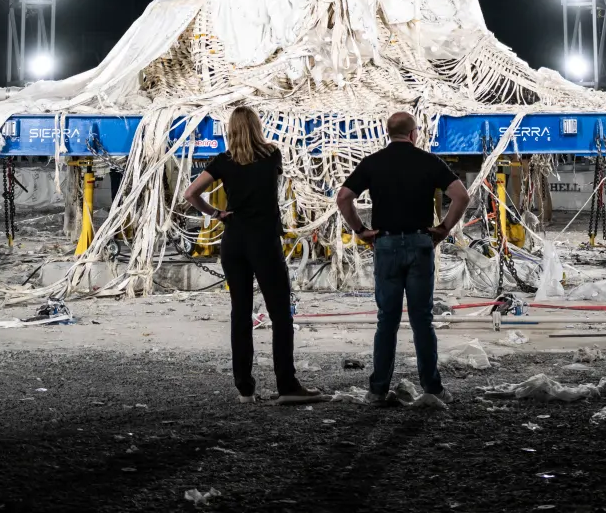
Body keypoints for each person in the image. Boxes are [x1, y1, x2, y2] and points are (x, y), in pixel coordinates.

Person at [181, 107, 325, 405]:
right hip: (264, 240)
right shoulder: (271, 154)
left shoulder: (222, 161)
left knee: (240, 313)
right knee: (280, 314)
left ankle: (245, 389)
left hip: (234, 241)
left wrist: (216, 213)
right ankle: (287, 384)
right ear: (257, 127)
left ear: (231, 130)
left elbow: (191, 193)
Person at [336, 112, 469, 405]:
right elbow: (461, 195)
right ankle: (432, 389)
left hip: (385, 244)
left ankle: (378, 390)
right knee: (422, 320)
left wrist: (361, 230)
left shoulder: (373, 162)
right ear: (413, 134)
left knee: (387, 321)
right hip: (421, 243)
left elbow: (344, 197)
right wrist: (444, 229)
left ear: (389, 134)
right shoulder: (428, 161)